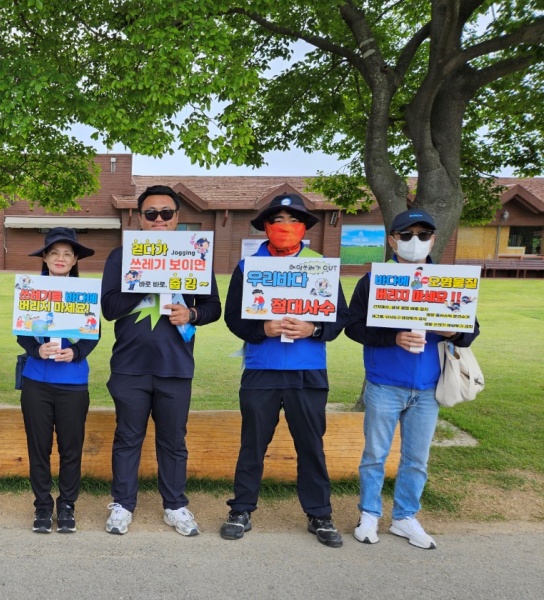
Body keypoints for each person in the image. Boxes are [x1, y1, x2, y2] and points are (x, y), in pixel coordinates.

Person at [345, 208, 480, 549]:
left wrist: (452, 331)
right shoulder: (373, 280)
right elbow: (353, 327)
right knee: (375, 455)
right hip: (384, 383)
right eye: (405, 235)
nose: (414, 241)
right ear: (392, 240)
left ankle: (405, 517)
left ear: (433, 240)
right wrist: (393, 337)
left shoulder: (448, 281)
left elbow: (471, 330)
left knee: (417, 459)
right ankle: (369, 514)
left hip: (428, 388)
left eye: (422, 235)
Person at [219, 193, 347, 548]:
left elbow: (340, 318)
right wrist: (262, 329)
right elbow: (233, 318)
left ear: (304, 227)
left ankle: (319, 513)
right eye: (277, 220)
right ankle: (241, 509)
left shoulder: (321, 265)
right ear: (266, 227)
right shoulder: (248, 267)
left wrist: (313, 329)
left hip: (308, 370)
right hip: (261, 369)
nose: (285, 227)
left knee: (310, 445)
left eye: (293, 220)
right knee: (253, 444)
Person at [101, 185, 222, 536]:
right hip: (130, 366)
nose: (158, 219)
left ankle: (175, 505)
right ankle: (123, 504)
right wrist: (145, 278)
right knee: (128, 437)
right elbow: (109, 308)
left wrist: (192, 314)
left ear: (177, 218)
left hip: (176, 366)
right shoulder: (121, 257)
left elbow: (213, 307)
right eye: (151, 213)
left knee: (173, 440)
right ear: (139, 218)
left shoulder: (195, 254)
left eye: (166, 213)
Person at [18, 227, 98, 534]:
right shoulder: (30, 290)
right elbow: (22, 331)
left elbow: (94, 333)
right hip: (36, 381)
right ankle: (42, 505)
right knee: (39, 448)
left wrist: (76, 351)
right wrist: (35, 349)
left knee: (70, 448)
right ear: (45, 257)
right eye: (54, 253)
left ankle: (66, 505)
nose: (60, 258)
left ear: (75, 259)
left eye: (67, 253)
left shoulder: (86, 292)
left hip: (73, 383)